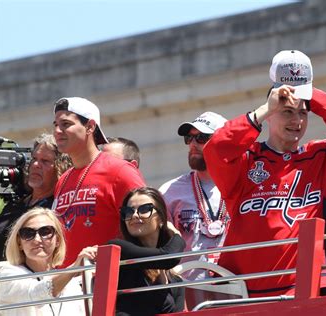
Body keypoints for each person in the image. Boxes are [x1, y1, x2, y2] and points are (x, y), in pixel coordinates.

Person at [203, 50, 326, 297]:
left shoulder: (323, 157)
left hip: (306, 288)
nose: (297, 120)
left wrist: (310, 94)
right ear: (271, 113)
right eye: (287, 111)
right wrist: (261, 111)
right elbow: (215, 150)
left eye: (303, 112)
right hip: (246, 292)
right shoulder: (246, 159)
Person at [52, 97, 145, 266]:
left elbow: (150, 224)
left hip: (109, 282)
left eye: (66, 124)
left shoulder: (120, 171)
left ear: (90, 127)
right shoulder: (63, 180)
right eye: (56, 125)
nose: (58, 131)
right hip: (69, 285)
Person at [159, 111, 229, 280]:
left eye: (202, 138)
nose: (192, 144)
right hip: (188, 293)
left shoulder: (244, 184)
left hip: (239, 289)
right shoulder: (169, 191)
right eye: (189, 138)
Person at [0, 207, 97, 316]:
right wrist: (75, 268)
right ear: (19, 243)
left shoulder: (71, 284)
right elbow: (38, 292)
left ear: (57, 240)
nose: (37, 239)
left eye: (45, 232)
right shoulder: (8, 274)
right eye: (28, 233)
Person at [108, 187, 186, 316]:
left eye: (144, 209)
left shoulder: (175, 281)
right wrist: (177, 236)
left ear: (161, 218)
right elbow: (168, 258)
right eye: (128, 211)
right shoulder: (118, 249)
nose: (134, 215)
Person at [0, 133, 72, 262]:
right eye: (34, 158)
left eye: (45, 161)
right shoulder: (17, 203)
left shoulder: (57, 207)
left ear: (61, 168)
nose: (36, 164)